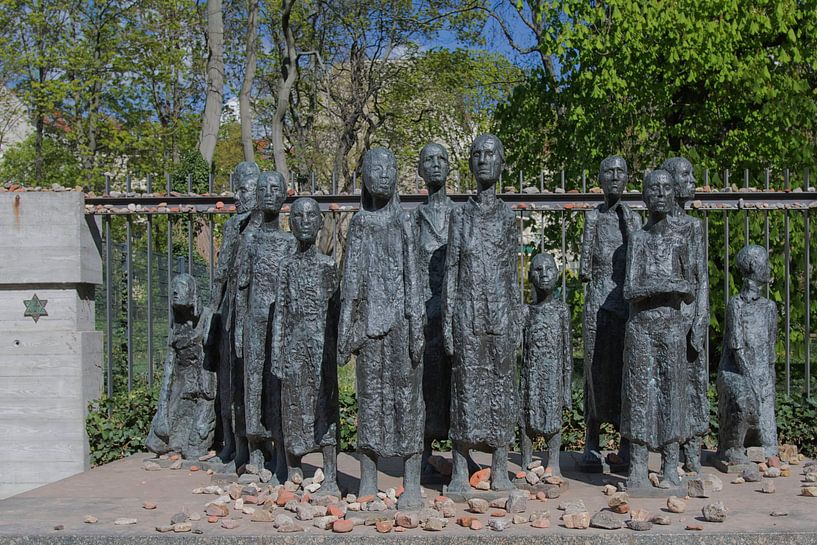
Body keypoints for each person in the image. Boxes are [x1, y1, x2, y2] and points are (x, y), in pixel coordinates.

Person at [337, 147, 425, 509]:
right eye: (375, 168)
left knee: (408, 401)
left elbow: (414, 277)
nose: (383, 174)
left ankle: (413, 479)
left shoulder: (406, 222)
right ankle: (368, 478)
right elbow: (351, 282)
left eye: (389, 167)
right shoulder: (359, 224)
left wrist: (417, 325)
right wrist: (346, 332)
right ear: (365, 177)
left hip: (402, 325)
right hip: (369, 328)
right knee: (370, 401)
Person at [443, 134, 521, 492]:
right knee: (465, 390)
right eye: (477, 154)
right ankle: (460, 468)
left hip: (501, 317)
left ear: (501, 162)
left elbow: (512, 276)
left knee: (502, 390)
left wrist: (516, 321)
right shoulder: (460, 216)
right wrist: (447, 323)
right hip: (467, 316)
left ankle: (501, 467)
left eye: (491, 154)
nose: (484, 160)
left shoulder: (508, 217)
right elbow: (452, 271)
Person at [621, 169, 694, 490]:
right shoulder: (637, 239)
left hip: (672, 329)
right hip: (641, 329)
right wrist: (664, 285)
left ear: (673, 193)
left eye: (666, 188)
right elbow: (629, 291)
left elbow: (690, 286)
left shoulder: (681, 238)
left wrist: (665, 286)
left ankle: (669, 466)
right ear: (645, 196)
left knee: (670, 395)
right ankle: (637, 467)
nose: (661, 194)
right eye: (654, 189)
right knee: (639, 396)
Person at [271, 197, 341, 496]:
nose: (304, 222)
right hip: (294, 349)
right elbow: (281, 313)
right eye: (298, 216)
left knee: (324, 407)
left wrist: (337, 351)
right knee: (292, 408)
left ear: (319, 223)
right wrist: (276, 352)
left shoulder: (328, 266)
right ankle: (294, 468)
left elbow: (336, 313)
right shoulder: (285, 267)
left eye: (311, 216)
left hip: (320, 349)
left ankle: (331, 474)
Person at [579, 156, 641, 469]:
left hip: (625, 305)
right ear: (601, 178)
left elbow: (639, 260)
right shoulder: (593, 218)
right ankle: (592, 441)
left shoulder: (633, 218)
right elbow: (584, 269)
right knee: (594, 374)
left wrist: (630, 225)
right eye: (608, 171)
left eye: (620, 172)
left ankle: (627, 443)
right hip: (597, 303)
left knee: (625, 374)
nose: (614, 177)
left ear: (628, 178)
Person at [238, 171, 295, 476]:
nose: (271, 194)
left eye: (276, 189)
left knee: (277, 385)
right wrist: (238, 329)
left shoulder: (289, 242)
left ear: (285, 195)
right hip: (255, 321)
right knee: (253, 384)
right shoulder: (249, 239)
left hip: (280, 325)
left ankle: (279, 449)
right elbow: (241, 288)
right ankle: (254, 450)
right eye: (265, 189)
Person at [412, 143, 458, 476]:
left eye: (442, 159)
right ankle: (424, 451)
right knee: (426, 383)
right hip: (426, 310)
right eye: (429, 160)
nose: (436, 165)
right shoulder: (412, 217)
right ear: (420, 171)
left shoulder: (461, 213)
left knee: (459, 381)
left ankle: (461, 451)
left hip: (457, 310)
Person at [661, 156, 709, 473]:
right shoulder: (656, 225)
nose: (693, 182)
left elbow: (701, 276)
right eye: (687, 175)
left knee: (694, 383)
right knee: (667, 384)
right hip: (667, 315)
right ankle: (668, 450)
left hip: (691, 311)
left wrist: (701, 315)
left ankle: (692, 450)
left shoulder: (694, 226)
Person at [209, 161, 259, 464]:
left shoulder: (270, 227)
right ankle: (230, 443)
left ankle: (256, 447)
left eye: (243, 189)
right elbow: (221, 273)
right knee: (229, 382)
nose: (236, 196)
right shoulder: (232, 227)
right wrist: (214, 313)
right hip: (231, 312)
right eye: (236, 189)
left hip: (258, 313)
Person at [717, 245, 778, 464]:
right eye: (765, 262)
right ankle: (731, 447)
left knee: (768, 441)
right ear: (753, 266)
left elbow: (770, 349)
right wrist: (751, 380)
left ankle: (763, 446)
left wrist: (768, 380)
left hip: (762, 374)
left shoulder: (770, 307)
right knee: (745, 400)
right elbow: (736, 347)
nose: (769, 267)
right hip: (736, 373)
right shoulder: (736, 304)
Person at [147, 274, 216, 459]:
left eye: (181, 286)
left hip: (205, 392)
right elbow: (169, 370)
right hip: (182, 386)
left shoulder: (208, 317)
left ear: (193, 292)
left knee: (194, 449)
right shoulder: (176, 323)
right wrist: (162, 410)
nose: (175, 291)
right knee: (156, 442)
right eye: (173, 287)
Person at [520, 252, 573, 476]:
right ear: (530, 276)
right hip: (530, 378)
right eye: (538, 270)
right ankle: (525, 462)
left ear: (557, 273)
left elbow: (567, 353)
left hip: (553, 376)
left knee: (553, 419)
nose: (544, 275)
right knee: (526, 420)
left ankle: (554, 464)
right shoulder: (526, 312)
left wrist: (567, 388)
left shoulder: (562, 311)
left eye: (549, 269)